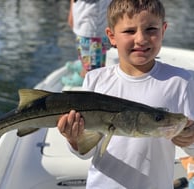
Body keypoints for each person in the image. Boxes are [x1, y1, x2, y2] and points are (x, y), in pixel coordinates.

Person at [57, 0, 194, 188]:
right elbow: (86, 151)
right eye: (129, 31)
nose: (141, 39)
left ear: (163, 30)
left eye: (151, 29)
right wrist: (73, 138)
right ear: (111, 36)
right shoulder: (95, 80)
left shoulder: (182, 81)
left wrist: (190, 139)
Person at [62, 0, 112, 86]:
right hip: (81, 16)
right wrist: (72, 11)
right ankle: (84, 65)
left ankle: (86, 75)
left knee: (93, 62)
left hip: (93, 24)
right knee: (82, 46)